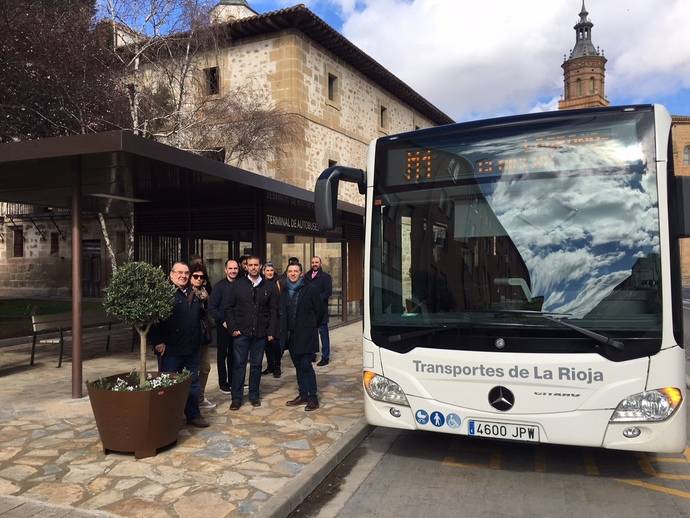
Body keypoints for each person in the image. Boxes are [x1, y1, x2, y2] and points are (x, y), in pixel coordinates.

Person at [150, 262, 209, 428]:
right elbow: (153, 321)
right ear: (171, 274)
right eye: (179, 273)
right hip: (170, 350)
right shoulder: (163, 293)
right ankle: (168, 417)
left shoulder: (194, 293)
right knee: (168, 384)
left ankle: (193, 415)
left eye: (186, 273)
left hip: (191, 348)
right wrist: (157, 342)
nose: (183, 276)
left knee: (193, 383)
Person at [225, 255, 279, 410]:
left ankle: (254, 395)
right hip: (241, 333)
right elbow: (228, 308)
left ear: (260, 266)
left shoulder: (269, 286)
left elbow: (274, 310)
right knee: (238, 366)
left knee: (256, 366)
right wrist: (233, 328)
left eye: (256, 264)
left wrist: (271, 331)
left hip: (260, 334)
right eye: (251, 265)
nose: (254, 267)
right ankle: (236, 398)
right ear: (246, 267)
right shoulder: (237, 285)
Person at [280, 262, 325, 411]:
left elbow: (320, 311)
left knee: (306, 366)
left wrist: (311, 326)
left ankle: (313, 397)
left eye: (296, 271)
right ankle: (303, 394)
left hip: (306, 335)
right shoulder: (285, 290)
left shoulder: (310, 289)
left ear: (301, 273)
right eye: (290, 271)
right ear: (287, 273)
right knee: (298, 366)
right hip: (291, 336)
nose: (293, 273)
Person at [209, 259, 240, 394]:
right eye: (230, 268)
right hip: (223, 325)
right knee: (222, 354)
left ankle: (234, 381)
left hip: (238, 326)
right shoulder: (219, 286)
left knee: (235, 354)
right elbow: (212, 307)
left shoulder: (241, 284)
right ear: (225, 270)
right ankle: (223, 383)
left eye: (235, 268)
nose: (233, 271)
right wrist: (223, 321)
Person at [189, 262, 216, 410]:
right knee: (191, 370)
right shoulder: (187, 293)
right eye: (195, 276)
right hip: (190, 337)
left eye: (202, 276)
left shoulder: (205, 293)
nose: (199, 279)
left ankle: (200, 397)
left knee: (205, 368)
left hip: (203, 335)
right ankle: (190, 400)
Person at [304, 256, 332, 366]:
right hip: (309, 311)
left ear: (320, 264)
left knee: (323, 334)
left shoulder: (326, 277)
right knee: (311, 334)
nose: (314, 264)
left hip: (321, 311)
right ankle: (312, 354)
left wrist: (315, 299)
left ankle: (325, 357)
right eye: (313, 262)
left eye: (316, 262)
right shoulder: (306, 276)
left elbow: (328, 292)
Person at [261, 262, 282, 378]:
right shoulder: (261, 283)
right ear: (263, 272)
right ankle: (270, 366)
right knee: (267, 345)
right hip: (264, 318)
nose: (269, 272)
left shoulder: (277, 283)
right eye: (267, 270)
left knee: (274, 343)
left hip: (275, 317)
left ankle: (277, 366)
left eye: (271, 270)